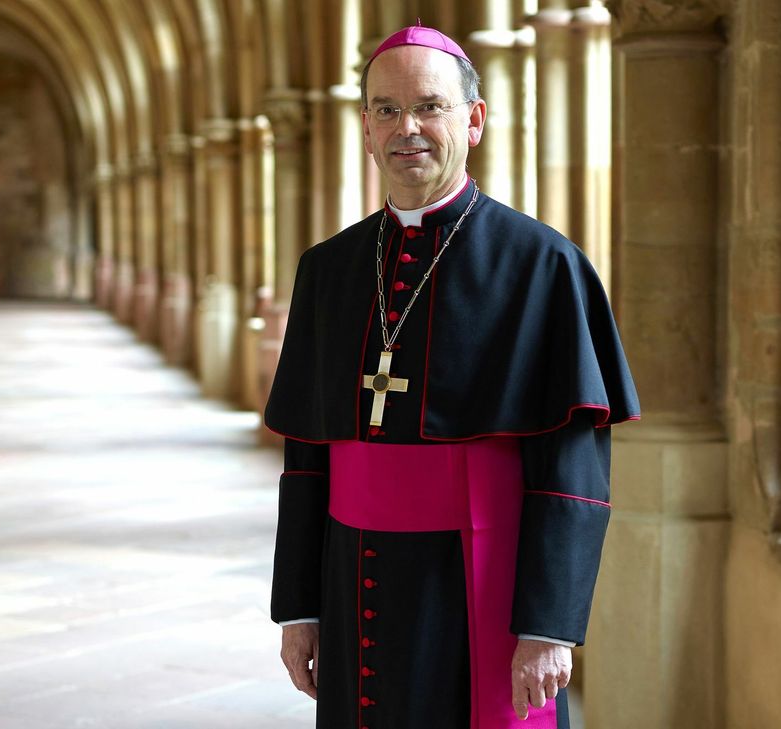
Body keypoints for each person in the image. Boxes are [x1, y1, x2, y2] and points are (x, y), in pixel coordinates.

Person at [264, 23, 640, 729]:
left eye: (429, 107)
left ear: (473, 121)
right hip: (354, 582)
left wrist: (548, 625)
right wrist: (300, 608)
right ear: (367, 129)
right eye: (386, 109)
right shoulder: (328, 269)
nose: (407, 128)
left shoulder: (544, 265)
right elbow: (307, 458)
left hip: (482, 586)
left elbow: (571, 468)